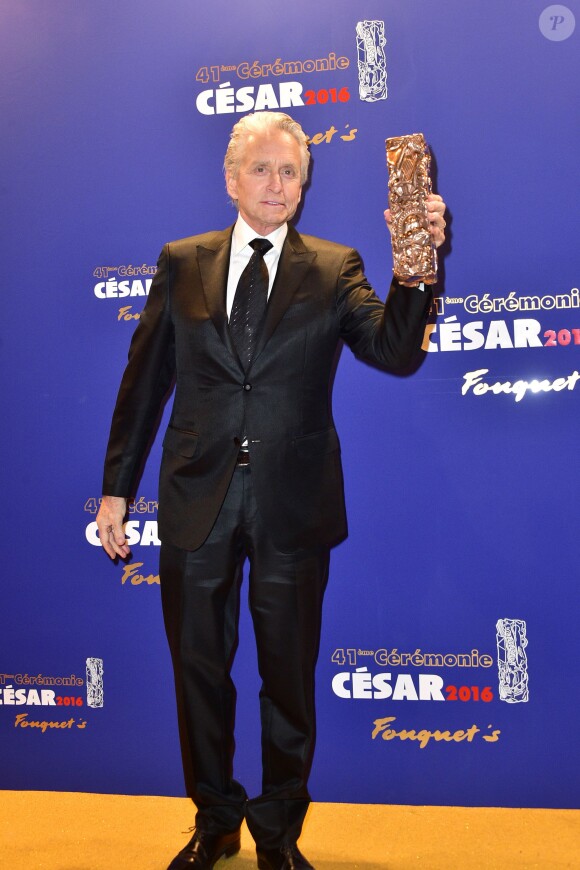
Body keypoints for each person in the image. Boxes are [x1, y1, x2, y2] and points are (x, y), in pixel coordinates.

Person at [96, 111, 446, 870]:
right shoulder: (182, 262)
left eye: (291, 172)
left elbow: (394, 352)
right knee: (199, 670)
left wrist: (418, 264)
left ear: (305, 182)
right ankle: (215, 819)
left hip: (294, 502)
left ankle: (278, 833)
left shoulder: (333, 266)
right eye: (262, 169)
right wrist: (115, 490)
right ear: (232, 178)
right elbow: (144, 383)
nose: (278, 185)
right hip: (197, 501)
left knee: (287, 677)